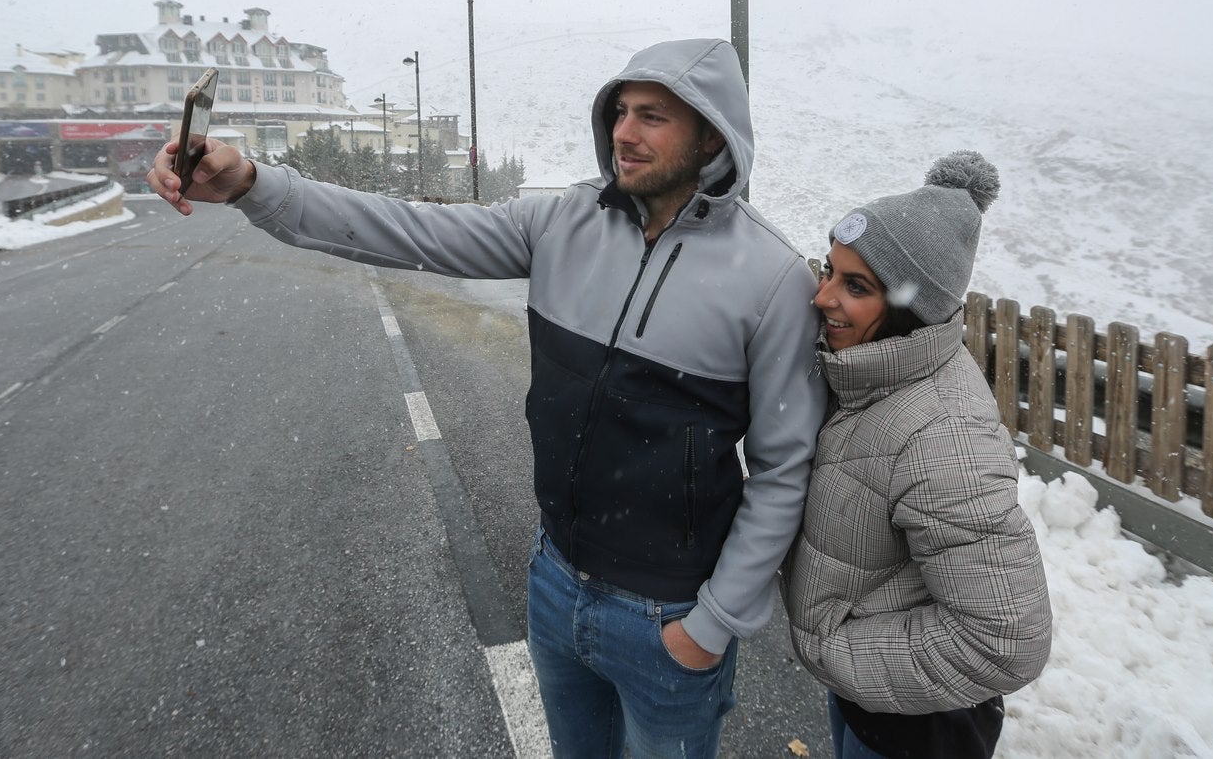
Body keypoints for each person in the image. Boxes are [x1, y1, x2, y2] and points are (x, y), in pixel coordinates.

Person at [148, 37, 826, 758]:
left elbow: (786, 469)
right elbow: (408, 228)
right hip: (555, 582)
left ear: (712, 134)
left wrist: (712, 624)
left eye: (653, 116)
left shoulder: (772, 278)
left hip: (670, 616)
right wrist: (254, 184)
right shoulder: (561, 222)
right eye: (622, 111)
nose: (624, 131)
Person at [781, 151, 1052, 759]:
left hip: (920, 732)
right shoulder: (871, 378)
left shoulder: (943, 436)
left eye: (855, 286)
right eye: (830, 271)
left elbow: (1008, 639)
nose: (821, 296)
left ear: (911, 308)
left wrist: (839, 650)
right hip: (872, 705)